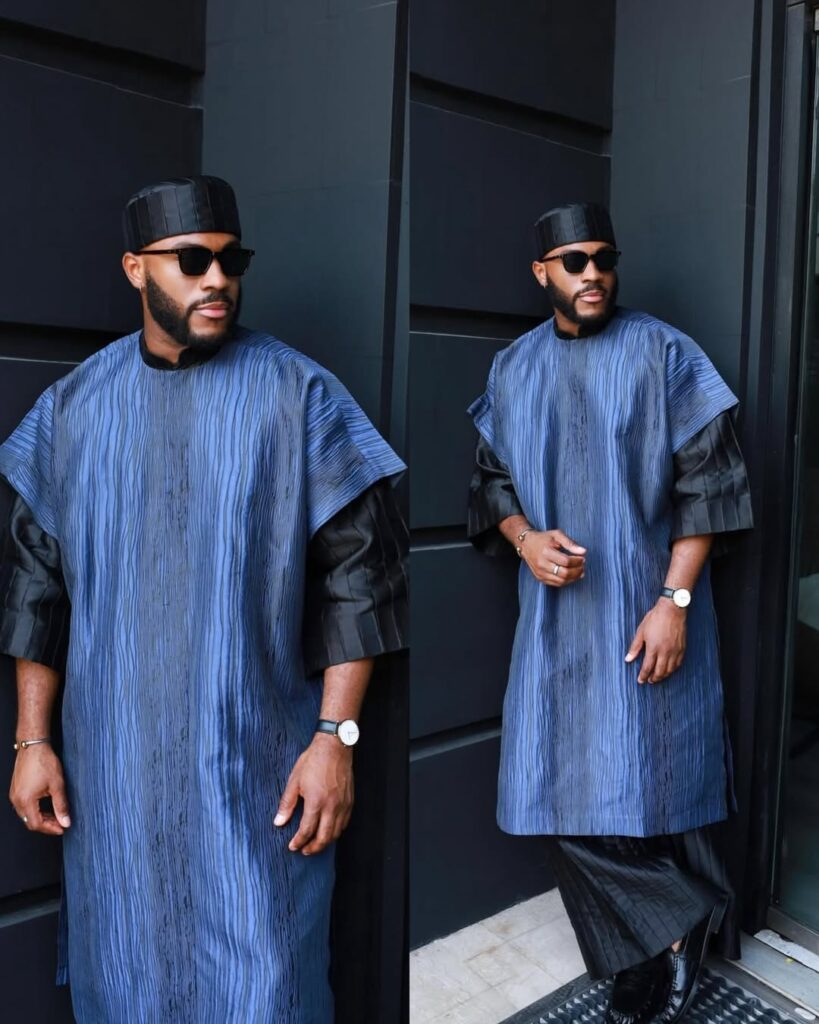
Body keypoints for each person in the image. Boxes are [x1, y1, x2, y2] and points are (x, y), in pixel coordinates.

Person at [0, 176, 408, 1022]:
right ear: (134, 269)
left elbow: (359, 582)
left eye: (231, 260)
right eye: (191, 261)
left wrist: (334, 739)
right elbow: (38, 593)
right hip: (113, 784)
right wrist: (32, 740)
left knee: (268, 989)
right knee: (124, 981)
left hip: (257, 774)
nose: (217, 279)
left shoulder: (299, 396)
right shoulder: (71, 410)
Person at [466, 202, 753, 1024]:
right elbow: (489, 486)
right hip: (554, 621)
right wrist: (524, 539)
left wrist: (673, 602)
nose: (591, 273)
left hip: (645, 612)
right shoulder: (512, 368)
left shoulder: (665, 353)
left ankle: (650, 948)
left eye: (602, 258)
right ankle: (677, 919)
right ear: (541, 273)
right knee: (551, 786)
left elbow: (709, 488)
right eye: (573, 261)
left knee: (650, 781)